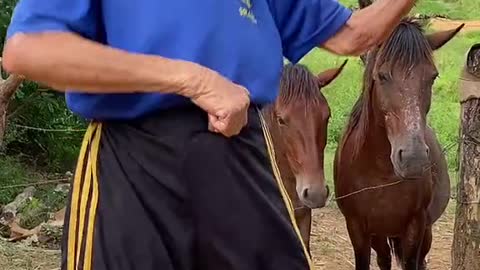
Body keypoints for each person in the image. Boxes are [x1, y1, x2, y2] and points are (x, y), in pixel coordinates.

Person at [2, 0, 415, 269]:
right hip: (133, 161)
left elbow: (351, 35)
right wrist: (189, 79)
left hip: (244, 152)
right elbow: (29, 49)